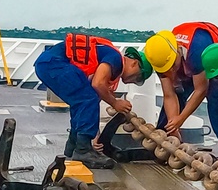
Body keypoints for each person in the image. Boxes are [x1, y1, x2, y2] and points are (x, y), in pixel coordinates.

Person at [34, 33, 152, 169]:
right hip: (54, 64)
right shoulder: (116, 59)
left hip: (47, 63)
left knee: (81, 101)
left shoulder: (108, 58)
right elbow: (98, 84)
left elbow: (91, 99)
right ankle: (83, 151)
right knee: (87, 98)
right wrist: (115, 103)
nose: (133, 81)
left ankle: (73, 147)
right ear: (134, 64)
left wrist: (95, 136)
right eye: (138, 77)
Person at [143, 21, 218, 147]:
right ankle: (165, 134)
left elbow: (201, 90)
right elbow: (169, 95)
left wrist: (181, 119)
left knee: (216, 97)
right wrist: (173, 126)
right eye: (166, 70)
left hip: (217, 59)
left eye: (172, 66)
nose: (171, 71)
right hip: (188, 62)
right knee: (178, 91)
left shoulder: (196, 51)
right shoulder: (159, 58)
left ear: (177, 52)